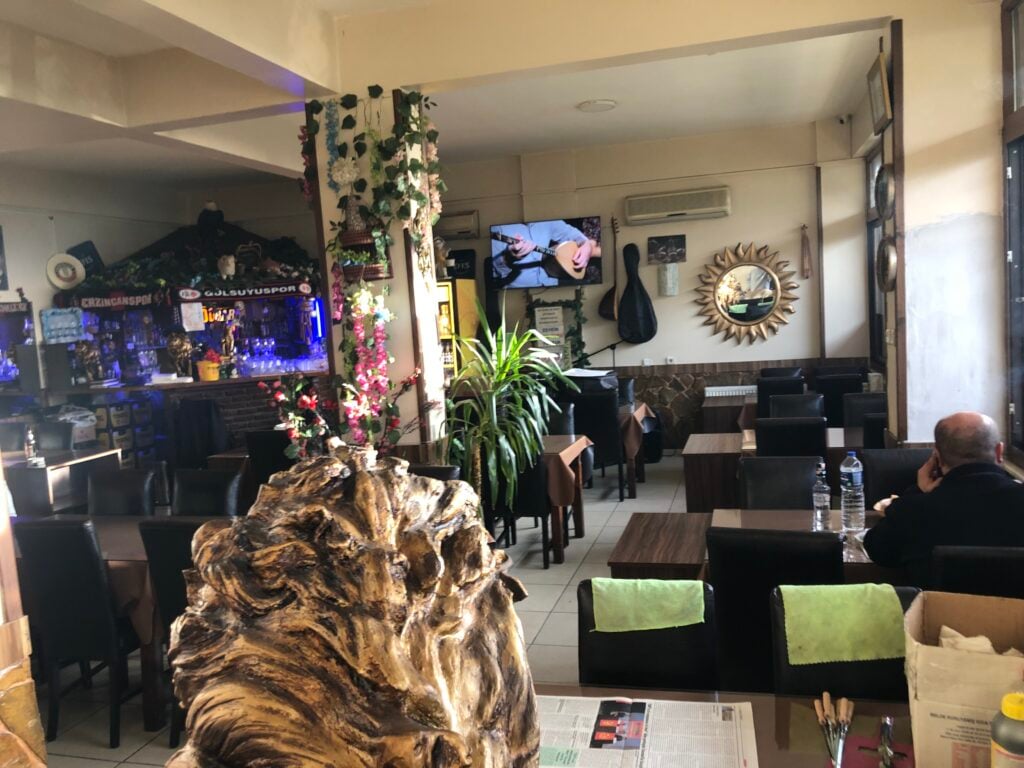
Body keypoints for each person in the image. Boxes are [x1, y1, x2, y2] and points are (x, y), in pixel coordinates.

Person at [863, 411, 1024, 585]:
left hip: (937, 611)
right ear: (999, 451)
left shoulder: (913, 510)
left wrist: (918, 490)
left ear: (937, 458)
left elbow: (877, 550)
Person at [491, 219, 598, 288]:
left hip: (554, 283)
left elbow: (571, 234)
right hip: (520, 294)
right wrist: (508, 258)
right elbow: (492, 274)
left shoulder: (547, 219)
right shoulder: (498, 229)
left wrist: (586, 244)